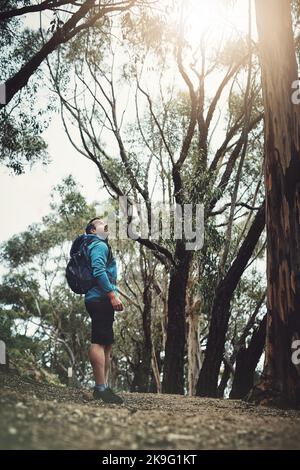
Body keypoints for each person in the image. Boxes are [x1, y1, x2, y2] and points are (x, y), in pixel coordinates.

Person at [84, 217, 124, 404]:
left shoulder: (97, 245)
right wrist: (111, 295)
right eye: (100, 222)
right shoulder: (99, 245)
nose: (105, 223)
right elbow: (98, 271)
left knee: (106, 342)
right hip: (100, 298)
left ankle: (104, 387)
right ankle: (100, 388)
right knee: (99, 341)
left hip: (99, 297)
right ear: (92, 230)